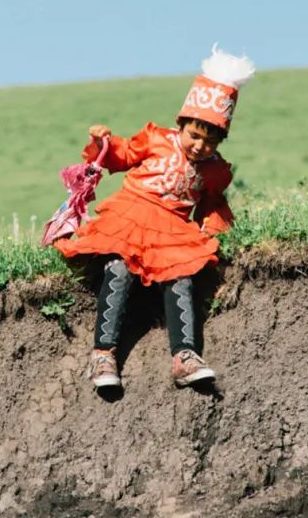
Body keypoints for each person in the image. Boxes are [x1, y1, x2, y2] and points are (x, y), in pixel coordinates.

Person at [54, 45, 255, 389]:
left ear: (220, 141)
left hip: (172, 229)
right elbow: (123, 154)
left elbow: (212, 206)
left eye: (210, 141)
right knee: (117, 268)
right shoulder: (156, 139)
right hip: (130, 214)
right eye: (194, 135)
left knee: (181, 278)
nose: (198, 146)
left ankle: (185, 356)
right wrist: (103, 142)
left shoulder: (215, 171)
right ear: (182, 125)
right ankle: (103, 354)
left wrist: (216, 232)